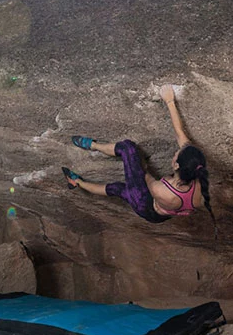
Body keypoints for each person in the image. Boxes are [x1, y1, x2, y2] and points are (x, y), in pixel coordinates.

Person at [62, 84, 216, 230]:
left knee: (128, 151)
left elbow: (143, 174)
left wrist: (139, 163)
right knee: (119, 189)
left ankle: (90, 152)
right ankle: (78, 182)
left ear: (176, 165)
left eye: (177, 154)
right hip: (165, 211)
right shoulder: (197, 175)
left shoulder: (163, 192)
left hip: (146, 205)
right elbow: (180, 133)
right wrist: (169, 101)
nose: (176, 152)